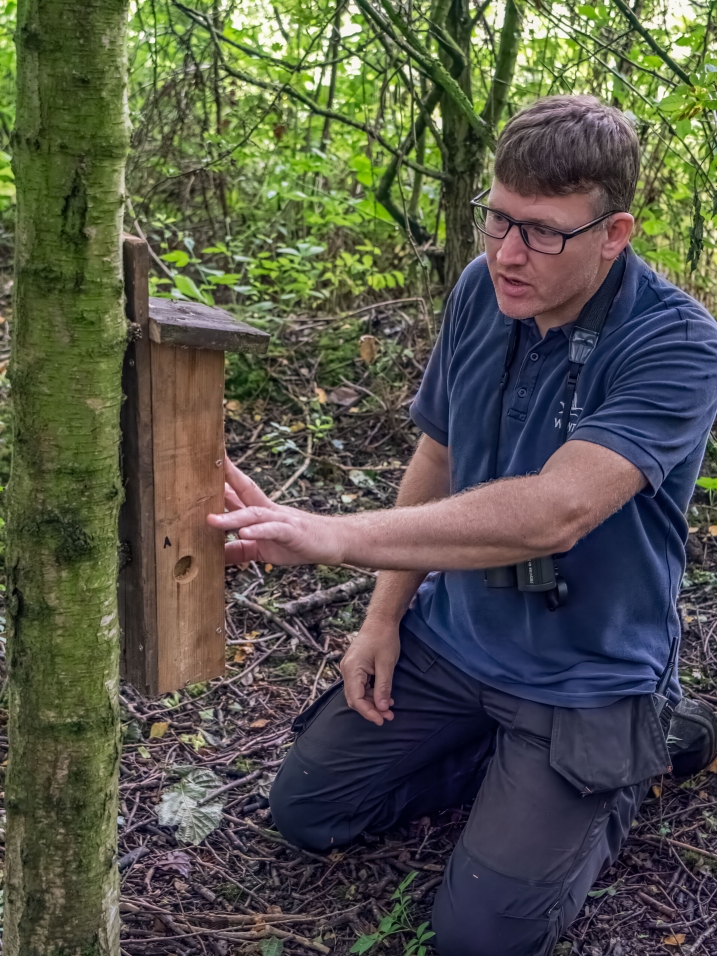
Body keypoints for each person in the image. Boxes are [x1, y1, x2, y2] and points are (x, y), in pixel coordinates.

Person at [208, 95, 717, 955]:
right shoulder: (485, 289)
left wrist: (331, 534)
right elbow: (439, 453)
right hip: (458, 638)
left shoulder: (677, 344)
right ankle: (513, 770)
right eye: (498, 220)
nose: (509, 253)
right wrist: (383, 616)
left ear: (613, 232)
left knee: (478, 938)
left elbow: (557, 511)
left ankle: (645, 749)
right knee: (306, 810)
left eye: (542, 231)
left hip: (585, 673)